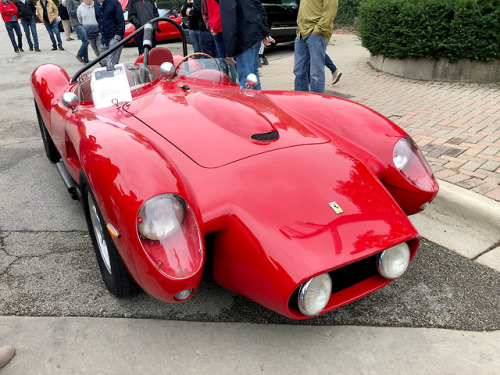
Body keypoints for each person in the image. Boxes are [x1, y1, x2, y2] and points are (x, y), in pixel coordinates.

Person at [219, 0, 271, 90]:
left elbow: (229, 22)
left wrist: (229, 52)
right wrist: (264, 32)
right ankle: (257, 102)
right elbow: (259, 7)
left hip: (245, 38)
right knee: (253, 76)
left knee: (246, 78)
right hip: (255, 34)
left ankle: (249, 102)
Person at [294, 0, 338, 93]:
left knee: (316, 73)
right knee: (299, 72)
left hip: (316, 34)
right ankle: (300, 103)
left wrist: (317, 31)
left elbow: (330, 11)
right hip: (301, 33)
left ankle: (316, 105)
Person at [94, 0, 124, 66]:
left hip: (114, 37)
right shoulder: (96, 4)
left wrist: (117, 37)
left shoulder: (114, 3)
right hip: (104, 37)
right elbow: (98, 19)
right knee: (103, 62)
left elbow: (121, 21)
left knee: (111, 64)